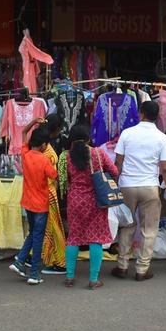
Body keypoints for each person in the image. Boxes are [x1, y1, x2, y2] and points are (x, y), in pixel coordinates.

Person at [113, 101, 166, 282]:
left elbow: (118, 163)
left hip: (127, 185)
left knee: (126, 225)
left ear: (141, 113)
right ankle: (142, 269)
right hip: (150, 186)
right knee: (149, 229)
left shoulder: (127, 133)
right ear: (157, 117)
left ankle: (122, 265)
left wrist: (116, 186)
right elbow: (165, 169)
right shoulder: (162, 138)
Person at [63, 124, 119, 289]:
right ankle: (93, 280)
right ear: (88, 138)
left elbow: (66, 177)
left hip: (74, 200)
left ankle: (70, 277)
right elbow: (114, 171)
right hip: (95, 200)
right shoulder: (98, 153)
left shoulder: (66, 157)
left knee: (73, 238)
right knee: (95, 239)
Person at [9, 118, 58, 285]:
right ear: (44, 145)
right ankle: (34, 274)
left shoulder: (25, 155)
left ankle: (19, 261)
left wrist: (33, 122)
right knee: (38, 238)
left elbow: (23, 132)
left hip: (28, 203)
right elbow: (54, 176)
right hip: (41, 205)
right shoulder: (45, 160)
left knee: (33, 233)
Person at [41, 114, 67, 275]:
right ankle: (59, 261)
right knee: (53, 225)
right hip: (48, 191)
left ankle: (48, 257)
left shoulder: (40, 144)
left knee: (47, 226)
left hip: (42, 190)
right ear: (56, 129)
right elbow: (50, 173)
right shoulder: (48, 150)